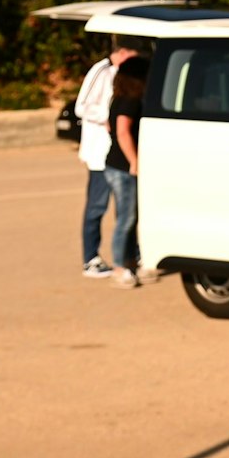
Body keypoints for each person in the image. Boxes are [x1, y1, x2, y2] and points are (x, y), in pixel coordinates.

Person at [74, 44, 139, 278]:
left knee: (127, 208)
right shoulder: (101, 70)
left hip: (118, 154)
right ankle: (91, 257)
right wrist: (108, 117)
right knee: (97, 206)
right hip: (100, 153)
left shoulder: (126, 76)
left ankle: (132, 253)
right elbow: (81, 107)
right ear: (122, 52)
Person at [103, 56, 149, 288]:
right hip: (122, 168)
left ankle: (130, 260)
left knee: (131, 217)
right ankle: (120, 266)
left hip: (115, 164)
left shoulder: (118, 99)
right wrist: (135, 161)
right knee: (126, 218)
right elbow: (122, 131)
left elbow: (108, 125)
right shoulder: (130, 101)